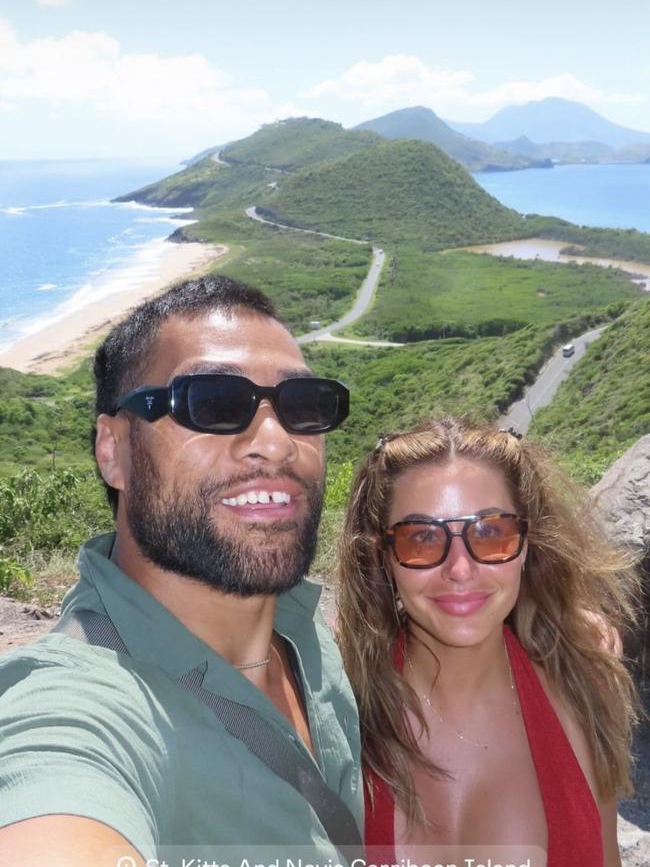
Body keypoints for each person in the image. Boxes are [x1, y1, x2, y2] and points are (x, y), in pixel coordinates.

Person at [0, 274, 361, 865]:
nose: (276, 442)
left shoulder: (302, 623)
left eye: (302, 407)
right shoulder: (78, 710)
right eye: (213, 403)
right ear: (112, 452)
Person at [337, 416, 639, 867]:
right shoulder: (335, 709)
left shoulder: (584, 685)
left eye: (491, 533)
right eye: (421, 538)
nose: (460, 569)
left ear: (526, 543)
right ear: (383, 557)